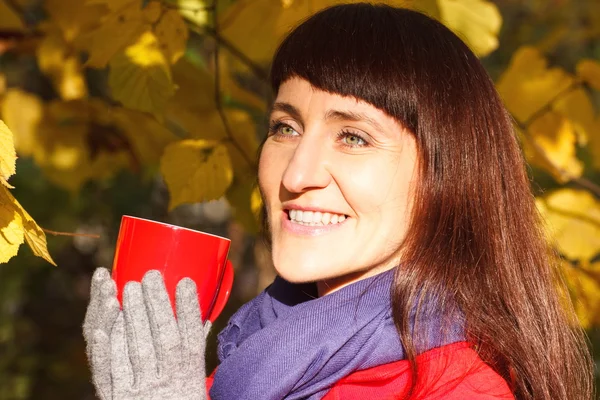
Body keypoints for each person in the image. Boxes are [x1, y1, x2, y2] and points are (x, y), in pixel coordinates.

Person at [83, 3, 595, 400]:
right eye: (285, 127)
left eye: (353, 137)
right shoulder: (263, 349)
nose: (297, 174)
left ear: (449, 176)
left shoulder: (460, 387)